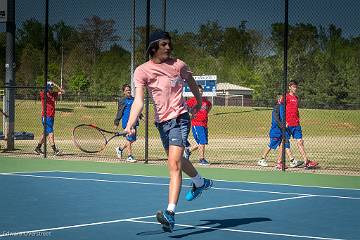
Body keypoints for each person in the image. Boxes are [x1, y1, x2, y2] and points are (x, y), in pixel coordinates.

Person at [124, 31, 213, 232]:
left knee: (173, 164)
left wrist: (198, 102)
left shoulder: (178, 65)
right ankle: (200, 182)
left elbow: (190, 80)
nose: (168, 47)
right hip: (161, 123)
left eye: (169, 44)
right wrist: (130, 123)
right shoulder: (141, 71)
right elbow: (138, 101)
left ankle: (170, 213)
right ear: (153, 47)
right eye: (164, 44)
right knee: (178, 161)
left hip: (180, 118)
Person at [258, 95, 304, 169]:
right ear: (279, 100)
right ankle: (262, 159)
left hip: (282, 130)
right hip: (276, 130)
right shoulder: (277, 108)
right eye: (283, 100)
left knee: (285, 144)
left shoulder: (284, 108)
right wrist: (283, 125)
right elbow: (277, 119)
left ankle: (292, 161)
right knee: (272, 144)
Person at [282, 80, 318, 169]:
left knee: (300, 142)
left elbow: (296, 110)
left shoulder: (296, 98)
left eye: (296, 87)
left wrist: (298, 118)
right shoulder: (285, 97)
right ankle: (292, 161)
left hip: (296, 124)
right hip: (287, 124)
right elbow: (281, 110)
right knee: (286, 142)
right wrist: (283, 121)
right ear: (289, 87)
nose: (295, 88)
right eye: (293, 87)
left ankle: (306, 161)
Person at [34, 81, 65, 155]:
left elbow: (63, 91)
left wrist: (55, 85)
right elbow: (43, 92)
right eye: (50, 88)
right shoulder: (43, 94)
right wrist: (47, 86)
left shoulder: (54, 94)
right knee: (51, 133)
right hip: (46, 117)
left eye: (52, 88)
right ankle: (55, 150)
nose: (51, 89)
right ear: (47, 88)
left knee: (45, 134)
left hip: (51, 117)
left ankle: (37, 148)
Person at [114, 84, 141, 163]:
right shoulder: (122, 100)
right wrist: (116, 122)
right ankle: (129, 156)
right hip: (126, 122)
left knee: (133, 139)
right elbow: (119, 112)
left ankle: (120, 149)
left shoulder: (134, 99)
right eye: (126, 90)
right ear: (123, 92)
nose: (128, 91)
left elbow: (137, 109)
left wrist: (141, 117)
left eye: (129, 90)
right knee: (129, 138)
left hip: (134, 122)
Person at [185, 84, 212, 165]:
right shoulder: (192, 100)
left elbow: (209, 106)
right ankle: (201, 159)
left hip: (204, 124)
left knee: (202, 142)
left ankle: (188, 150)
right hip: (196, 124)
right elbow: (185, 107)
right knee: (202, 142)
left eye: (201, 91)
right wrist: (190, 114)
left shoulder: (206, 101)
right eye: (198, 91)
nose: (200, 93)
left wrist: (206, 113)